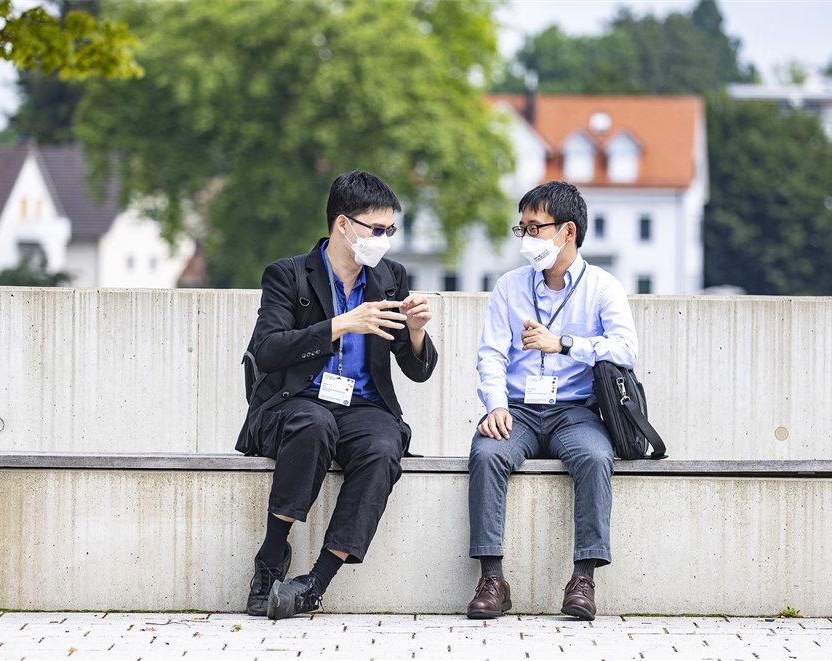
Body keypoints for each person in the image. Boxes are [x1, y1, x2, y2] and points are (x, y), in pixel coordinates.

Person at [236, 170, 438, 620]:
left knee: (385, 446)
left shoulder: (390, 277)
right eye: (377, 229)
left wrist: (418, 333)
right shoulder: (289, 276)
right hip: (296, 402)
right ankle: (271, 557)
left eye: (390, 229)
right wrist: (342, 324)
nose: (385, 239)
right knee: (314, 423)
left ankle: (315, 583)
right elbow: (266, 350)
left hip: (363, 406)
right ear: (343, 225)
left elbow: (417, 369)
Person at [466, 180, 638, 620]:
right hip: (519, 410)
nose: (526, 238)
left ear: (568, 232)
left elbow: (625, 349)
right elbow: (490, 355)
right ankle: (492, 579)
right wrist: (496, 406)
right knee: (486, 453)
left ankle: (583, 579)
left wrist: (564, 344)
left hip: (576, 412)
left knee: (596, 458)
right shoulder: (509, 286)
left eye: (534, 228)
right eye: (521, 228)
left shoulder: (602, 286)